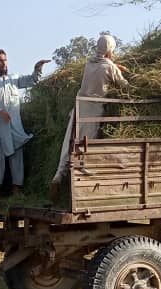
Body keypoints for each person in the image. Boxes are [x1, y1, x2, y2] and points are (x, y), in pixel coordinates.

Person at [51, 35, 129, 196]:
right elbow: (124, 85)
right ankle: (79, 184)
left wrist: (114, 66)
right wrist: (123, 73)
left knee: (69, 141)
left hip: (79, 106)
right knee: (86, 144)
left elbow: (100, 68)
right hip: (93, 110)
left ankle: (58, 175)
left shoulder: (89, 63)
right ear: (110, 49)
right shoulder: (110, 67)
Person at [0, 49, 51, 200]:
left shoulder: (14, 79)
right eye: (0, 60)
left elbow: (33, 80)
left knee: (17, 159)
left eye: (5, 60)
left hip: (15, 127)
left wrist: (38, 68)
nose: (4, 63)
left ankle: (16, 192)